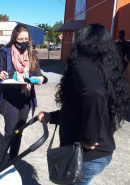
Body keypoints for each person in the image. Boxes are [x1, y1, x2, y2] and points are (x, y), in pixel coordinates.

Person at [38, 24, 129, 184]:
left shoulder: (82, 63)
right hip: (101, 153)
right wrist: (52, 116)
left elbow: (94, 94)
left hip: (86, 155)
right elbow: (77, 109)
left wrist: (88, 138)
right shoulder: (103, 69)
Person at [0, 24, 47, 168]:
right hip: (10, 97)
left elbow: (39, 74)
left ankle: (12, 162)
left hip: (25, 98)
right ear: (14, 39)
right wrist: (0, 75)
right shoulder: (5, 53)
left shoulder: (32, 54)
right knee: (10, 132)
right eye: (20, 39)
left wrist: (41, 79)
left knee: (19, 131)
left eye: (26, 39)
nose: (23, 42)